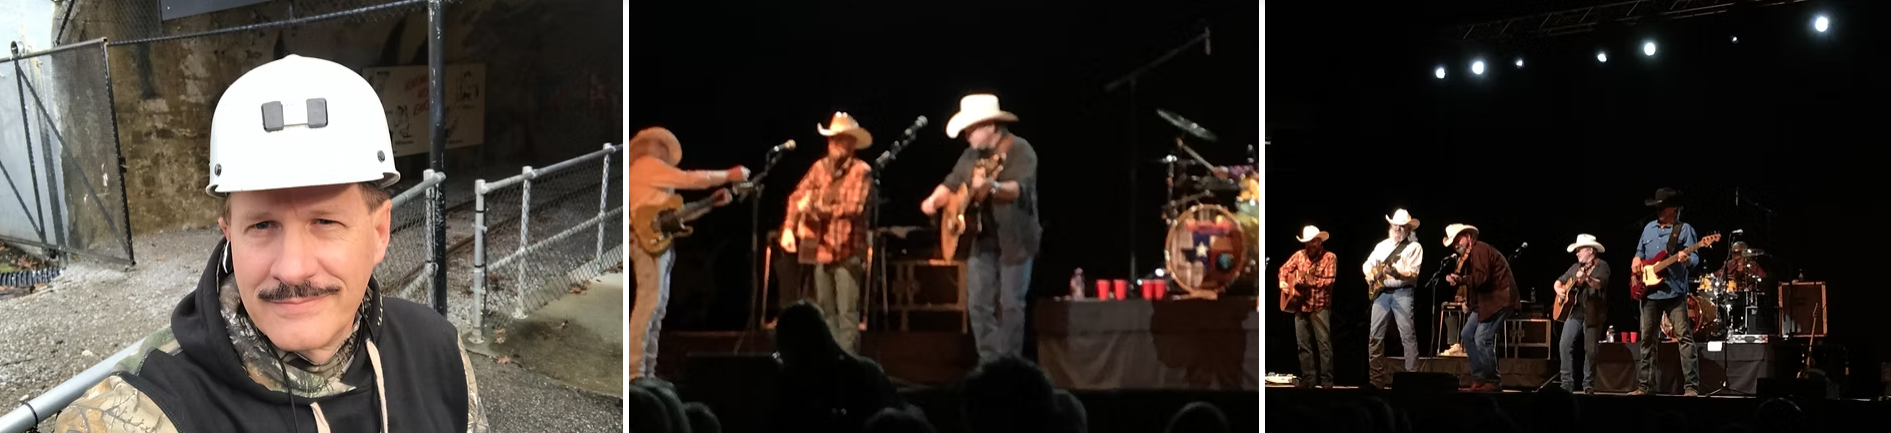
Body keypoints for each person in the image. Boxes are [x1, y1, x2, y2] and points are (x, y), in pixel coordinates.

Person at [54, 55, 486, 432]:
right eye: (262, 225)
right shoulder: (145, 407)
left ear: (379, 232)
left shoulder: (438, 351)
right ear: (229, 234)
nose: (293, 269)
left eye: (325, 221)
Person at [919, 94, 1041, 362]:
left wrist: (992, 187)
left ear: (990, 126)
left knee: (1010, 305)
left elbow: (1017, 189)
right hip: (981, 238)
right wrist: (933, 200)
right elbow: (951, 183)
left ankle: (1009, 365)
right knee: (977, 304)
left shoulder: (1020, 150)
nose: (967, 136)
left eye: (971, 129)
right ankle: (989, 362)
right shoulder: (970, 155)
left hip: (1015, 239)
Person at [628, 126, 750, 379]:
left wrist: (710, 203)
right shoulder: (645, 165)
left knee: (656, 308)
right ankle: (634, 372)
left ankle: (646, 372)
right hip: (644, 242)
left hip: (658, 243)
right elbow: (690, 179)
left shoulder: (656, 182)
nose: (664, 150)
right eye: (660, 145)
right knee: (648, 306)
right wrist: (729, 175)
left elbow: (674, 216)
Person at [780, 112, 874, 354]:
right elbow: (796, 197)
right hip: (821, 251)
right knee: (826, 313)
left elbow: (853, 208)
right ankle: (832, 363)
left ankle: (848, 366)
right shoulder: (819, 168)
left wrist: (815, 207)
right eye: (832, 138)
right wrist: (789, 228)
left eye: (840, 138)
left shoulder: (861, 171)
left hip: (847, 252)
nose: (834, 143)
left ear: (852, 142)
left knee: (847, 315)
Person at [1631, 187, 1702, 396]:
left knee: (1684, 339)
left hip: (1674, 293)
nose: (1659, 211)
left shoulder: (1685, 230)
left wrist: (1687, 260)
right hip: (1650, 293)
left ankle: (1691, 386)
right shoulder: (1648, 228)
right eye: (1657, 207)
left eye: (1662, 207)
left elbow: (1695, 259)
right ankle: (1645, 386)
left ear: (1674, 209)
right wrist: (1636, 259)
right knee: (1647, 340)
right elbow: (1639, 252)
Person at [1444, 223, 1517, 392]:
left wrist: (1461, 279)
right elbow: (1476, 285)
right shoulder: (1470, 256)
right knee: (1467, 334)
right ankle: (1480, 378)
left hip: (1499, 299)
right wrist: (1469, 301)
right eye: (1453, 243)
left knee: (1482, 338)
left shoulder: (1479, 250)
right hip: (1486, 303)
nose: (1456, 245)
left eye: (1458, 240)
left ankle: (1493, 380)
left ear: (1468, 237)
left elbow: (1482, 278)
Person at [1362, 209, 1423, 388]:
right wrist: (1369, 275)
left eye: (1402, 226)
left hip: (1402, 292)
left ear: (1408, 229)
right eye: (1395, 225)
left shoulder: (1414, 247)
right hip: (1381, 294)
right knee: (1375, 337)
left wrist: (1397, 273)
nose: (1397, 229)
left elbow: (1413, 274)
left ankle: (1412, 379)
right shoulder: (1381, 246)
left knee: (1407, 336)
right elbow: (1367, 264)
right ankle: (1376, 381)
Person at [1276, 225, 1336, 388]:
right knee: (1303, 345)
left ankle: (1327, 381)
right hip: (1300, 306)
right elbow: (1283, 269)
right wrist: (1283, 282)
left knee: (1323, 344)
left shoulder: (1329, 257)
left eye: (1313, 241)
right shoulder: (1299, 255)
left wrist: (1311, 283)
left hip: (1320, 306)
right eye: (1308, 242)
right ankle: (1309, 379)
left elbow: (1329, 281)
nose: (1310, 245)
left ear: (1320, 241)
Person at [1553, 234, 1611, 394]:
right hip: (1575, 312)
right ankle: (1566, 384)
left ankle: (1588, 384)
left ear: (1590, 250)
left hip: (1593, 312)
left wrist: (1587, 278)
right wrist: (1559, 290)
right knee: (1564, 344)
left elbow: (1599, 284)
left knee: (1591, 350)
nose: (1577, 253)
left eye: (1580, 250)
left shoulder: (1602, 266)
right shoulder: (1575, 267)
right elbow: (1559, 281)